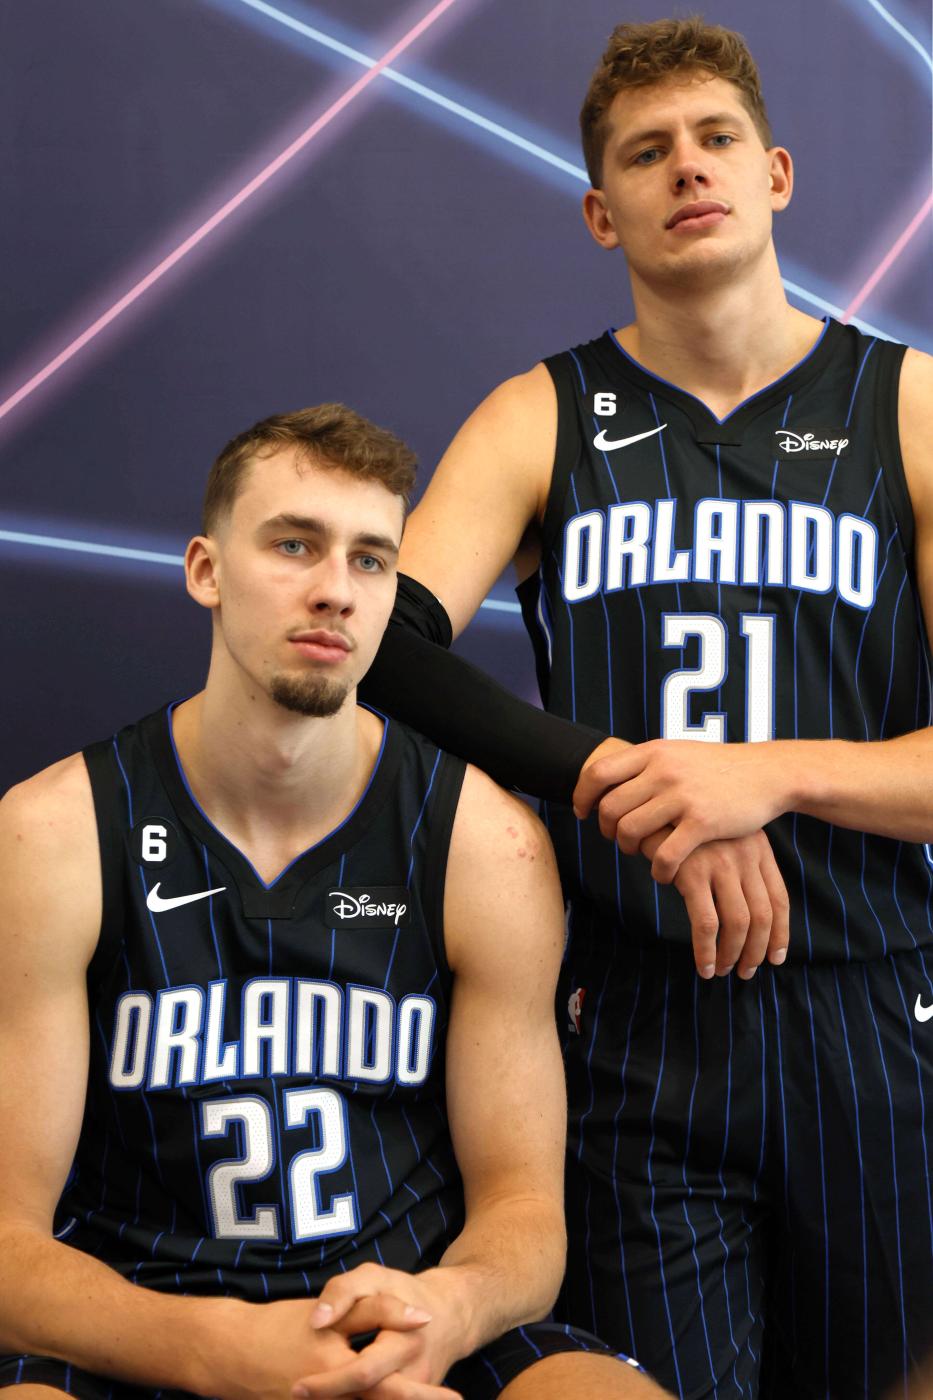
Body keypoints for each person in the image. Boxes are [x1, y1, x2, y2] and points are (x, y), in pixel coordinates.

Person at [357, 17, 933, 1399]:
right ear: (598, 208)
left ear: (778, 172)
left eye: (715, 139)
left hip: (865, 1006)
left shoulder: (905, 405)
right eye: (645, 152)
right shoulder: (541, 416)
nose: (687, 170)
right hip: (635, 1023)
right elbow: (390, 649)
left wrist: (766, 780)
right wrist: (623, 778)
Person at [0, 406, 669, 1400]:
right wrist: (222, 1348)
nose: (335, 592)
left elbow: (524, 1213)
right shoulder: (52, 834)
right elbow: (10, 1245)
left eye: (370, 560)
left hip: (403, 1319)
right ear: (205, 570)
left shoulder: (486, 843)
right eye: (293, 544)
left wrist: (447, 1312)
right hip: (151, 1317)